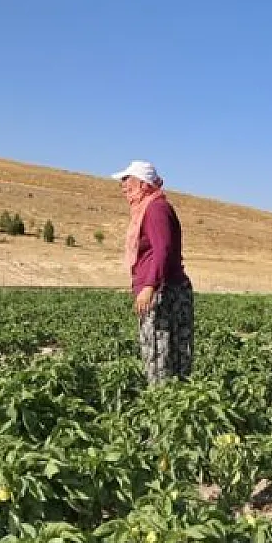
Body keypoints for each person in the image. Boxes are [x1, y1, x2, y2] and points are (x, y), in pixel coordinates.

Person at [113, 160, 192, 384]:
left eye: (127, 180)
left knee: (159, 352)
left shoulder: (155, 208)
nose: (123, 185)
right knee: (164, 351)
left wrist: (149, 286)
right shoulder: (150, 207)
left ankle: (163, 404)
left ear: (143, 184)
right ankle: (169, 400)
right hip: (161, 287)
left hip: (163, 291)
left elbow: (163, 249)